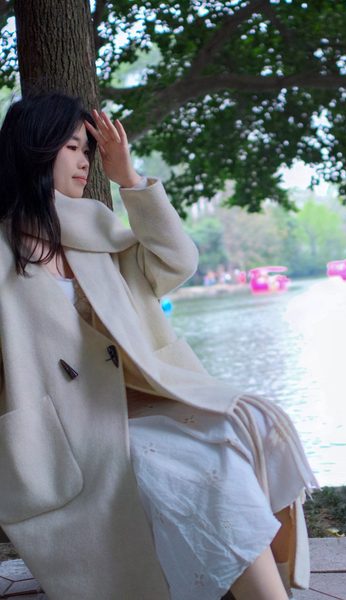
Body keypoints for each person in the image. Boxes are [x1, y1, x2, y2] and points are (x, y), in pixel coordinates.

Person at [0, 92, 318, 600]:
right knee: (202, 471)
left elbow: (176, 263)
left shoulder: (97, 227)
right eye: (73, 148)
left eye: (88, 150)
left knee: (247, 429)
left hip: (142, 401)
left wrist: (129, 179)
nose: (85, 162)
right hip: (68, 436)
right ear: (36, 149)